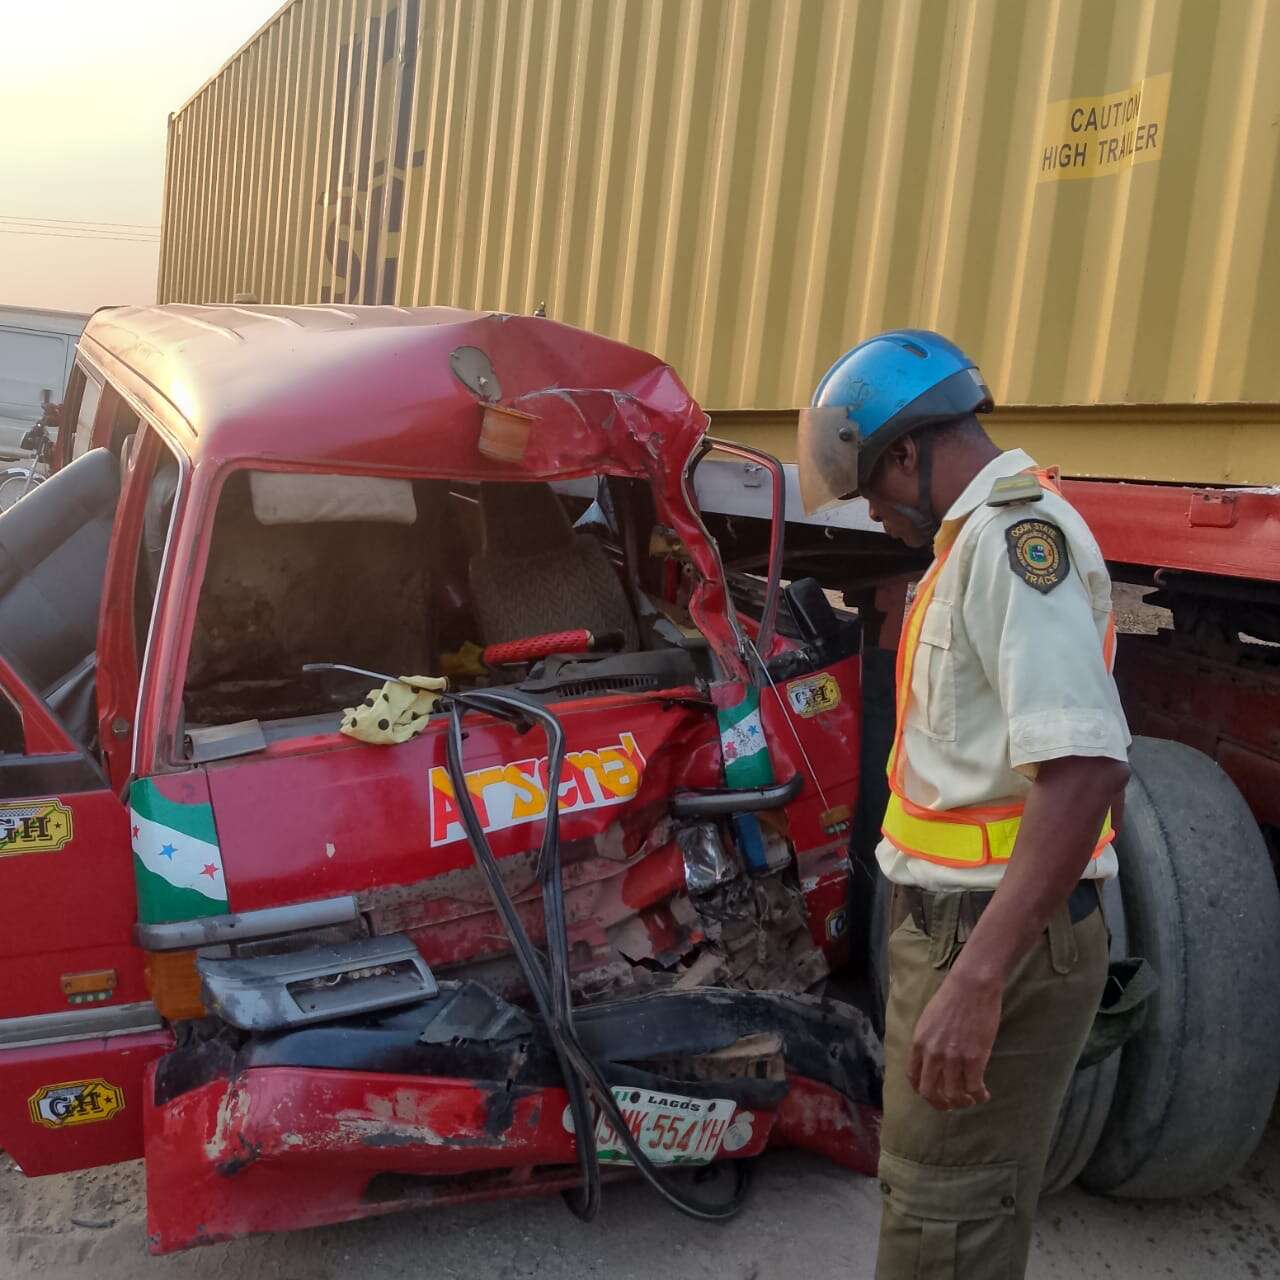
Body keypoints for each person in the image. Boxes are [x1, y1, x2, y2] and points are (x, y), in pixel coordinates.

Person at [797, 330, 1131, 1279]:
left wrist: (978, 982)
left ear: (909, 450)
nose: (869, 508)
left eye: (869, 481)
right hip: (957, 924)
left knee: (945, 1226)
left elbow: (1087, 769)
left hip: (992, 936)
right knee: (935, 1199)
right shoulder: (967, 543)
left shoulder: (1020, 542)